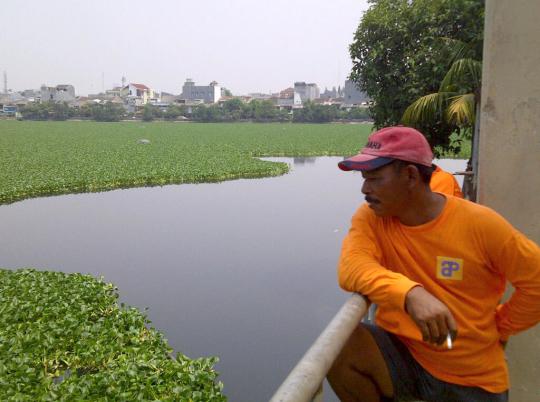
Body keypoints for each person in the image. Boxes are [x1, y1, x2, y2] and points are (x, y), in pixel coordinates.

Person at [328, 126, 540, 402]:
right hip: (406, 358)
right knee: (339, 346)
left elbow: (536, 280)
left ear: (411, 176)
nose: (365, 189)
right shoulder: (372, 218)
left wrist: (501, 326)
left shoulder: (480, 225)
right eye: (365, 178)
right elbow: (351, 267)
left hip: (473, 378)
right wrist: (409, 294)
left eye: (375, 179)